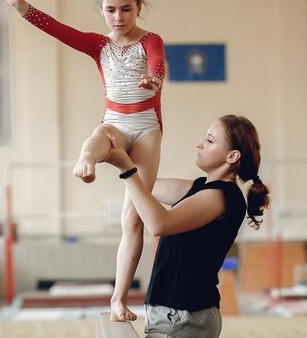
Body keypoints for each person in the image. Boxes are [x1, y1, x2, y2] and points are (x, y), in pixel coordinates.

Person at [0, 0, 165, 321]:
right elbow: (58, 29)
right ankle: (86, 159)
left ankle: (118, 300)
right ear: (101, 9)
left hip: (147, 128)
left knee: (132, 218)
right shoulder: (97, 45)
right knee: (100, 134)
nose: (118, 17)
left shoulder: (151, 40)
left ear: (139, 6)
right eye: (110, 10)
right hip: (116, 123)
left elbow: (157, 62)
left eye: (125, 9)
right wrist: (20, 6)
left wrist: (155, 79)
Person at [103, 114, 270, 337]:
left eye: (209, 141)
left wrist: (127, 168)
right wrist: (126, 144)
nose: (199, 143)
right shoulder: (200, 187)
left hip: (183, 316)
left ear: (232, 156)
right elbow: (146, 187)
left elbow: (159, 223)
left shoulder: (222, 196)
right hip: (173, 313)